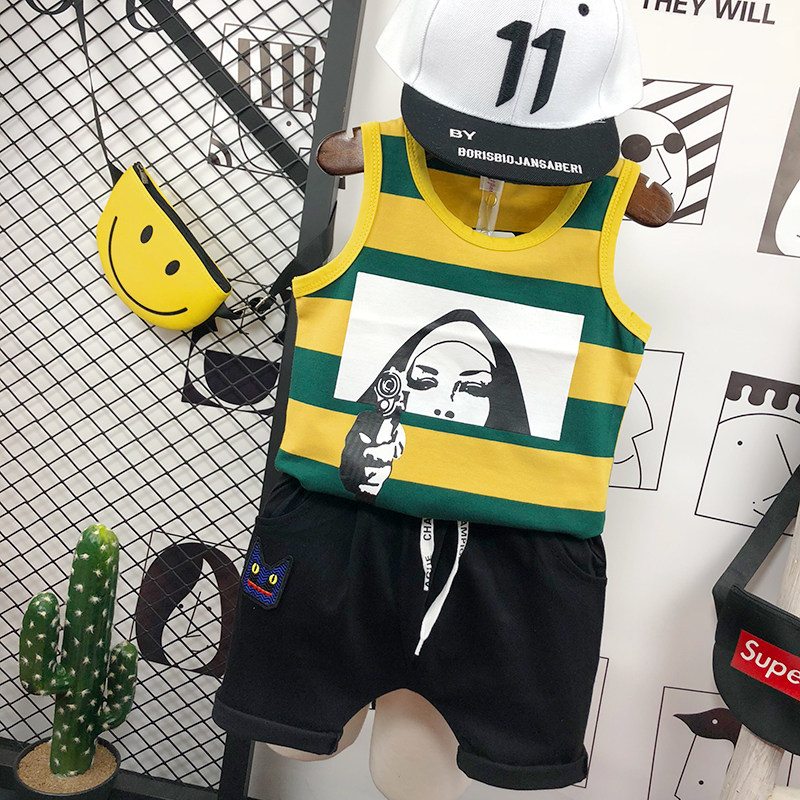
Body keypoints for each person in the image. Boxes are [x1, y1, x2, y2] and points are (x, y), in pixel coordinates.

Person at [339, 309, 529, 501]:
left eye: (473, 388)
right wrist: (366, 485)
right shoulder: (377, 443)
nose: (445, 406)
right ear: (397, 389)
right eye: (424, 383)